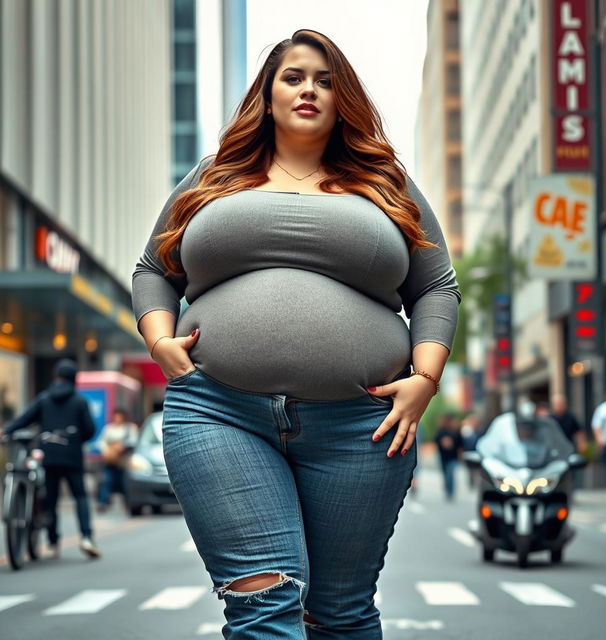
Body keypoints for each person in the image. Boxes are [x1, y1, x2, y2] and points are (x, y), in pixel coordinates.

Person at [132, 29, 460, 639]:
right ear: (269, 93)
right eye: (294, 76)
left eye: (326, 80)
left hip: (363, 424)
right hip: (219, 412)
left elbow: (436, 286)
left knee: (340, 613)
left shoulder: (384, 180)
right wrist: (159, 342)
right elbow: (155, 270)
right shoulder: (216, 175)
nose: (309, 89)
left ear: (343, 100)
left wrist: (425, 379)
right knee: (264, 605)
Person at [0, 358, 101, 559]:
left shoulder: (44, 399)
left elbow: (24, 419)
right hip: (72, 457)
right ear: (74, 379)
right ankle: (86, 538)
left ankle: (54, 543)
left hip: (48, 456)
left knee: (51, 500)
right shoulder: (80, 401)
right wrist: (76, 437)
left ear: (56, 377)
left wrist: (5, 431)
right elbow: (90, 430)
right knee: (80, 497)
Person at [95, 408, 138, 513]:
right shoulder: (108, 429)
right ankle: (103, 503)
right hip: (111, 461)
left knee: (125, 484)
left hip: (125, 462)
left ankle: (128, 504)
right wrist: (106, 451)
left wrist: (124, 446)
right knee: (106, 482)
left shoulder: (130, 428)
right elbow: (100, 442)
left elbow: (134, 441)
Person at [434, 414, 464, 501]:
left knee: (451, 473)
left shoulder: (457, 431)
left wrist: (460, 453)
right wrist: (443, 443)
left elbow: (461, 444)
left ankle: (451, 491)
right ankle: (447, 489)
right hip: (443, 457)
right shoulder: (442, 431)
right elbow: (436, 440)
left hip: (453, 457)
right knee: (445, 474)